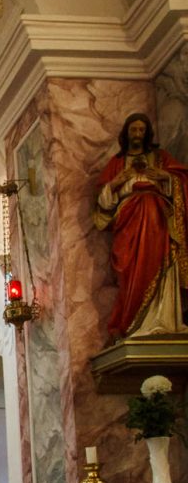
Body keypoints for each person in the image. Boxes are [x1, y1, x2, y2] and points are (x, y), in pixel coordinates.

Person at [94, 113, 188, 339]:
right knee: (130, 272)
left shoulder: (160, 158)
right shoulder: (117, 163)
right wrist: (116, 182)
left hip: (158, 221)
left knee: (159, 262)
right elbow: (102, 202)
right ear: (126, 133)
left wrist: (165, 177)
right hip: (129, 222)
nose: (137, 134)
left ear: (147, 133)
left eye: (141, 130)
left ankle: (162, 320)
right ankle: (132, 324)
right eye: (133, 130)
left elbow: (182, 182)